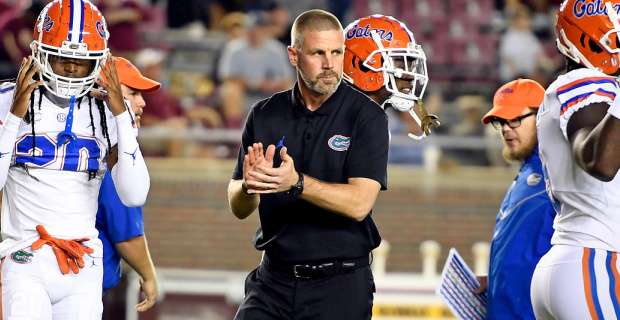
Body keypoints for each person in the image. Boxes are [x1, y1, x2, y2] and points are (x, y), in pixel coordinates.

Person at [227, 9, 389, 319]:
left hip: (340, 286)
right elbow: (239, 206)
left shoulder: (366, 116)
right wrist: (248, 185)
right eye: (318, 53)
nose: (330, 64)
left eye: (336, 52)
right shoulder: (264, 114)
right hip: (273, 280)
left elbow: (359, 204)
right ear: (293, 54)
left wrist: (296, 183)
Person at [0, 0, 149, 319]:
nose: (69, 68)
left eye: (80, 61)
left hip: (84, 263)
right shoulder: (5, 101)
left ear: (99, 63)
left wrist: (121, 114)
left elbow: (135, 194)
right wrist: (14, 116)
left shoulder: (108, 112)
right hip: (25, 256)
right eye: (62, 58)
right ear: (39, 53)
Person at [530, 1, 620, 319]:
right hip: (594, 259)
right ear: (589, 39)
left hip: (580, 260)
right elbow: (600, 161)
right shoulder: (583, 81)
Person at [476, 79, 555, 319]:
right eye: (501, 122)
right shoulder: (526, 175)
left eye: (516, 119)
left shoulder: (559, 173)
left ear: (542, 116)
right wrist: (496, 278)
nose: (506, 129)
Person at [96, 56, 159, 312]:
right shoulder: (110, 150)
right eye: (133, 93)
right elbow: (127, 236)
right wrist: (149, 274)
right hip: (78, 279)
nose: (142, 102)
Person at [342, 14, 439, 139]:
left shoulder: (377, 119)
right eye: (400, 64)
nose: (410, 76)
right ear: (361, 65)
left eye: (410, 65)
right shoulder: (331, 121)